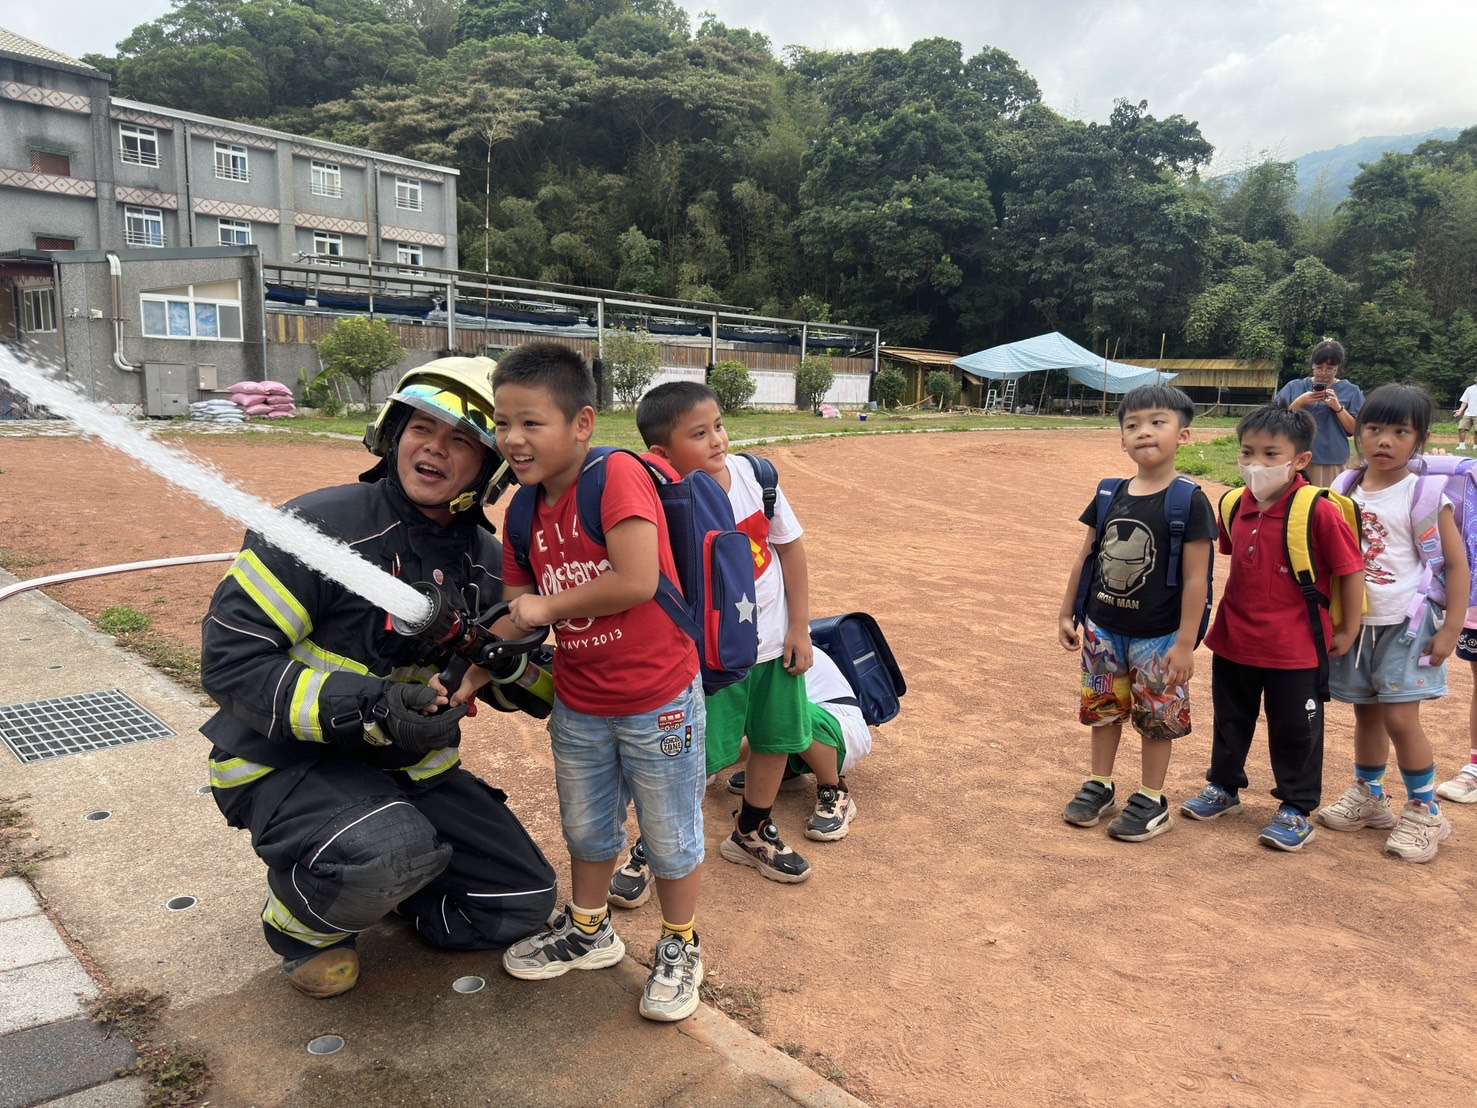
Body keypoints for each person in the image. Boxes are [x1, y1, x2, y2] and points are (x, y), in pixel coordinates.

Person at [200, 357, 557, 999]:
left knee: (520, 898)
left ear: (491, 469)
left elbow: (504, 679)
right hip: (285, 761)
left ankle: (383, 881)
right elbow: (232, 663)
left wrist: (515, 665)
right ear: (394, 432)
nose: (435, 449)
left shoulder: (488, 562)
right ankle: (302, 924)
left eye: (461, 442)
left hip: (404, 769)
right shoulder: (319, 528)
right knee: (385, 849)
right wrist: (373, 704)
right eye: (423, 428)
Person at [455, 341, 707, 1022]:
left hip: (657, 697)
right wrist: (470, 674)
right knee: (588, 828)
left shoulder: (614, 476)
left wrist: (550, 606)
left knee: (669, 833)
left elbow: (635, 580)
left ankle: (681, 946)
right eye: (502, 422)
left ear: (582, 424)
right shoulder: (523, 513)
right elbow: (518, 614)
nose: (511, 438)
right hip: (581, 700)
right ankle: (589, 929)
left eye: (531, 422)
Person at [633, 380, 839, 882]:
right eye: (699, 434)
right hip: (707, 658)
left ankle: (752, 828)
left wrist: (799, 627)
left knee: (774, 739)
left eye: (719, 426)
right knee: (692, 752)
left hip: (772, 645)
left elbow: (790, 549)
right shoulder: (662, 503)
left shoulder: (756, 478)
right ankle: (654, 844)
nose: (718, 441)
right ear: (663, 452)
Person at [1180, 407, 1365, 849]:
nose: (1255, 464)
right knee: (1230, 719)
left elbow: (1351, 570)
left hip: (1296, 646)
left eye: (1269, 454)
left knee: (1296, 729)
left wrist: (1349, 627)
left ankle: (1296, 807)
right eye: (1247, 453)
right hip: (1234, 638)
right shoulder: (1232, 504)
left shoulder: (1316, 511)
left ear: (1299, 460)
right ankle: (1224, 787)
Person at [1315, 384, 1469, 862]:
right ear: (1359, 431)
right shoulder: (1344, 488)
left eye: (1399, 432)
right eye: (1375, 428)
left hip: (1409, 624)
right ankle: (1370, 794)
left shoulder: (1425, 494)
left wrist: (1451, 629)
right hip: (1362, 625)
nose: (1384, 440)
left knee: (1402, 717)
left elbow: (1458, 565)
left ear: (1418, 440)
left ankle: (1426, 812)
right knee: (1366, 713)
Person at [1057, 384, 1214, 841]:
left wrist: (1185, 643)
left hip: (1160, 637)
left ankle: (1151, 797)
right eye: (1132, 425)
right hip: (1103, 631)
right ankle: (1101, 784)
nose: (1144, 432)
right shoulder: (1109, 493)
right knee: (1104, 710)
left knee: (1156, 718)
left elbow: (1196, 580)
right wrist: (1068, 612)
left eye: (1157, 422)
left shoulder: (1188, 500)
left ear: (1184, 436)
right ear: (1122, 439)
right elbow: (1085, 557)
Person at [609, 642, 871, 909]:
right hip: (795, 737)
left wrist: (703, 765)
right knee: (755, 727)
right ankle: (787, 775)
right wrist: (706, 764)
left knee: (789, 716)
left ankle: (834, 789)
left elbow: (762, 729)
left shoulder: (770, 642)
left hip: (837, 729)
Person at [1274, 339, 1363, 487]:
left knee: (1328, 504)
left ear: (1338, 368)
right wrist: (1299, 403)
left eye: (1330, 368)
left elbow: (1356, 430)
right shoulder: (1295, 387)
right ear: (1312, 365)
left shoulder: (1351, 391)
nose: (1323, 373)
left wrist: (1338, 408)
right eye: (1318, 367)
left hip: (1331, 461)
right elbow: (1275, 421)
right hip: (1295, 457)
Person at [1453, 377, 1477, 451]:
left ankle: (1475, 446)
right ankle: (1462, 446)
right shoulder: (1469, 389)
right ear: (1475, 379)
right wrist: (1460, 410)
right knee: (1461, 428)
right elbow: (1464, 402)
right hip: (1468, 413)